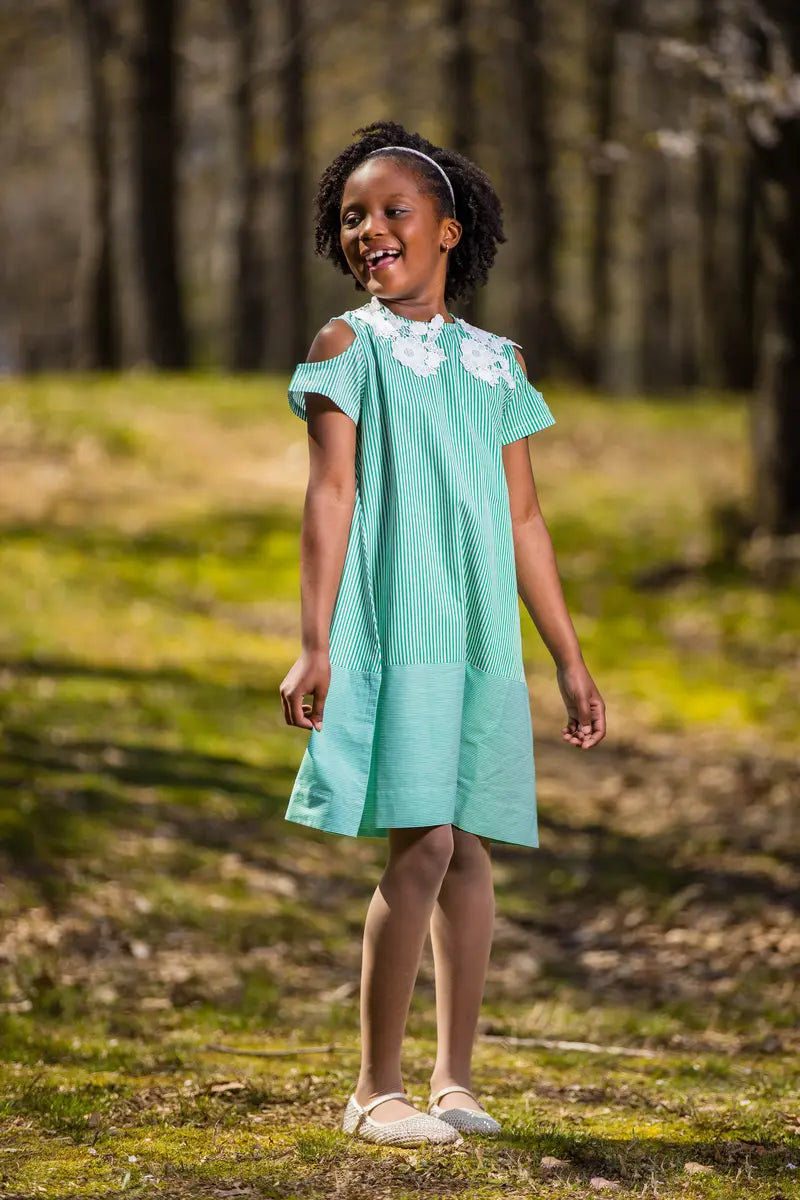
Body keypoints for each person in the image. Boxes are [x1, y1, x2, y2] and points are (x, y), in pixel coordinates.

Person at [279, 120, 606, 1148]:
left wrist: (566, 656)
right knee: (419, 841)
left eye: (392, 212)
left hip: (475, 635)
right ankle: (374, 1089)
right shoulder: (348, 346)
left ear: (449, 232)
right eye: (351, 219)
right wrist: (315, 640)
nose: (369, 231)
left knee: (467, 846)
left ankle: (452, 1080)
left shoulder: (497, 364)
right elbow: (329, 496)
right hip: (391, 625)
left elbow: (521, 519)